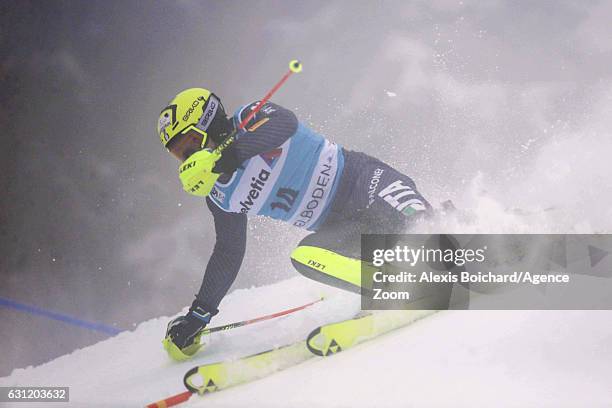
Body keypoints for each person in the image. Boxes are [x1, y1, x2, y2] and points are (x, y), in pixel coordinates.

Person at [157, 88, 432, 356]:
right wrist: (197, 316)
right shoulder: (220, 196)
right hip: (347, 230)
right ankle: (396, 286)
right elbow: (229, 251)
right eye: (179, 153)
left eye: (190, 144)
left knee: (423, 228)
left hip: (366, 183)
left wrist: (229, 156)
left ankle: (453, 252)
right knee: (305, 256)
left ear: (209, 122)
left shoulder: (249, 118)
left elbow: (284, 124)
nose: (188, 159)